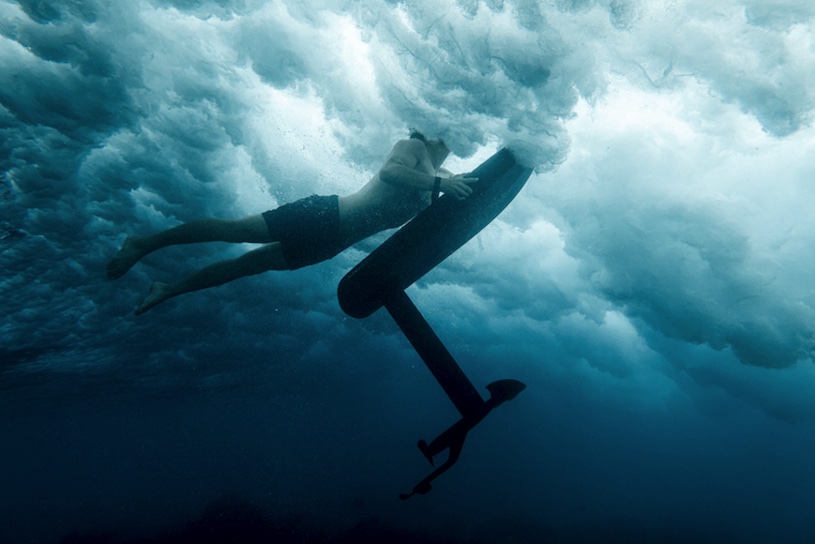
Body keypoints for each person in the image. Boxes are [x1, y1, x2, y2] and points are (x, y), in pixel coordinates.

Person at [106, 130, 478, 315]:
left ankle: (169, 288)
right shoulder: (413, 148)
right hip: (324, 215)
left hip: (331, 244)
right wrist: (439, 183)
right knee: (236, 232)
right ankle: (144, 243)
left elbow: (453, 197)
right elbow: (390, 173)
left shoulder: (443, 175)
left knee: (246, 267)